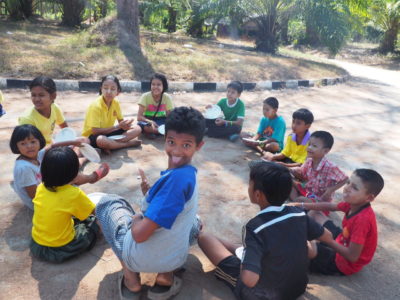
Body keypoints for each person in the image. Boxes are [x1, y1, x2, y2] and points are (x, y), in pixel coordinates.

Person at [96, 107, 205, 300]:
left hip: (139, 257)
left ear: (199, 145)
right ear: (165, 139)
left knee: (108, 203)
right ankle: (165, 277)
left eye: (186, 145)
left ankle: (131, 280)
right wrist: (149, 194)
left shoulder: (175, 182)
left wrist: (137, 218)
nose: (177, 151)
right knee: (195, 222)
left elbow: (139, 235)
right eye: (172, 142)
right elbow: (170, 203)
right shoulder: (188, 174)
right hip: (174, 258)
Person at [198, 161, 334, 300]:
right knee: (249, 249)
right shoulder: (298, 213)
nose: (248, 187)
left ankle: (207, 237)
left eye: (250, 184)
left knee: (204, 238)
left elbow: (249, 280)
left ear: (258, 195)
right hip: (297, 287)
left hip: (263, 294)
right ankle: (243, 253)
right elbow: (328, 235)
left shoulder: (255, 227)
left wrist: (247, 265)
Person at [290, 169, 384, 276]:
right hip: (343, 238)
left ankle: (303, 237)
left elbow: (352, 257)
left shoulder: (362, 220)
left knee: (300, 247)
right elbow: (331, 206)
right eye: (348, 182)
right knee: (315, 213)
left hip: (344, 263)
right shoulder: (355, 203)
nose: (347, 188)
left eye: (355, 187)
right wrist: (302, 205)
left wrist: (329, 241)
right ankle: (303, 231)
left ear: (369, 197)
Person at [10, 124, 109, 209]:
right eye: (23, 143)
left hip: (45, 187)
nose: (29, 146)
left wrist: (72, 143)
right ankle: (93, 177)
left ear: (39, 141)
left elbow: (53, 147)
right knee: (72, 177)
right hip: (40, 203)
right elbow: (34, 196)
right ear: (16, 146)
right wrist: (60, 185)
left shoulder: (37, 154)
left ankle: (84, 159)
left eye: (33, 142)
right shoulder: (23, 168)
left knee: (64, 162)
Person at [30, 147, 100, 263]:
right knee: (93, 223)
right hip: (61, 248)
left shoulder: (41, 187)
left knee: (66, 215)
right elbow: (95, 212)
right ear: (74, 174)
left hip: (38, 243)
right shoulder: (73, 194)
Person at [82, 75, 142, 153]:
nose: (108, 92)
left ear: (118, 92)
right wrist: (116, 127)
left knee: (137, 128)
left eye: (113, 89)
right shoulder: (95, 106)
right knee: (101, 140)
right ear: (101, 89)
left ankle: (111, 145)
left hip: (109, 132)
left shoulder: (115, 103)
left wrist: (126, 125)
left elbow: (121, 121)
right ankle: (127, 144)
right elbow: (95, 131)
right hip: (93, 137)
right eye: (105, 88)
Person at [290, 131, 348, 211]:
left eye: (314, 146)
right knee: (287, 182)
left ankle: (299, 204)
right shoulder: (309, 161)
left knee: (302, 199)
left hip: (320, 200)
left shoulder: (330, 167)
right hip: (307, 191)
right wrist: (290, 170)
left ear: (325, 151)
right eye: (309, 144)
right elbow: (301, 172)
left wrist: (330, 190)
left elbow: (345, 179)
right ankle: (299, 204)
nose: (309, 147)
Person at [137, 73, 174, 138]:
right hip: (147, 120)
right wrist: (150, 121)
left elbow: (169, 117)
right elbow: (139, 117)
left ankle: (154, 132)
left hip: (162, 120)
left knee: (173, 124)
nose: (155, 87)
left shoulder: (167, 97)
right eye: (153, 84)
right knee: (144, 126)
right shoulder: (145, 96)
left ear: (164, 86)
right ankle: (161, 132)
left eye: (159, 84)